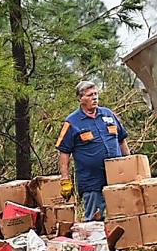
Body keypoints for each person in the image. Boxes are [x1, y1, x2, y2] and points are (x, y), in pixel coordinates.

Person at [56, 80, 131, 220]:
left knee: (123, 216)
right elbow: (64, 151)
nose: (95, 97)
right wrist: (65, 179)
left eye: (96, 94)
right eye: (90, 95)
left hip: (117, 176)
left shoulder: (108, 114)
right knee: (95, 219)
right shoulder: (72, 122)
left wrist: (130, 163)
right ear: (80, 99)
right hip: (92, 180)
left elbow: (121, 139)